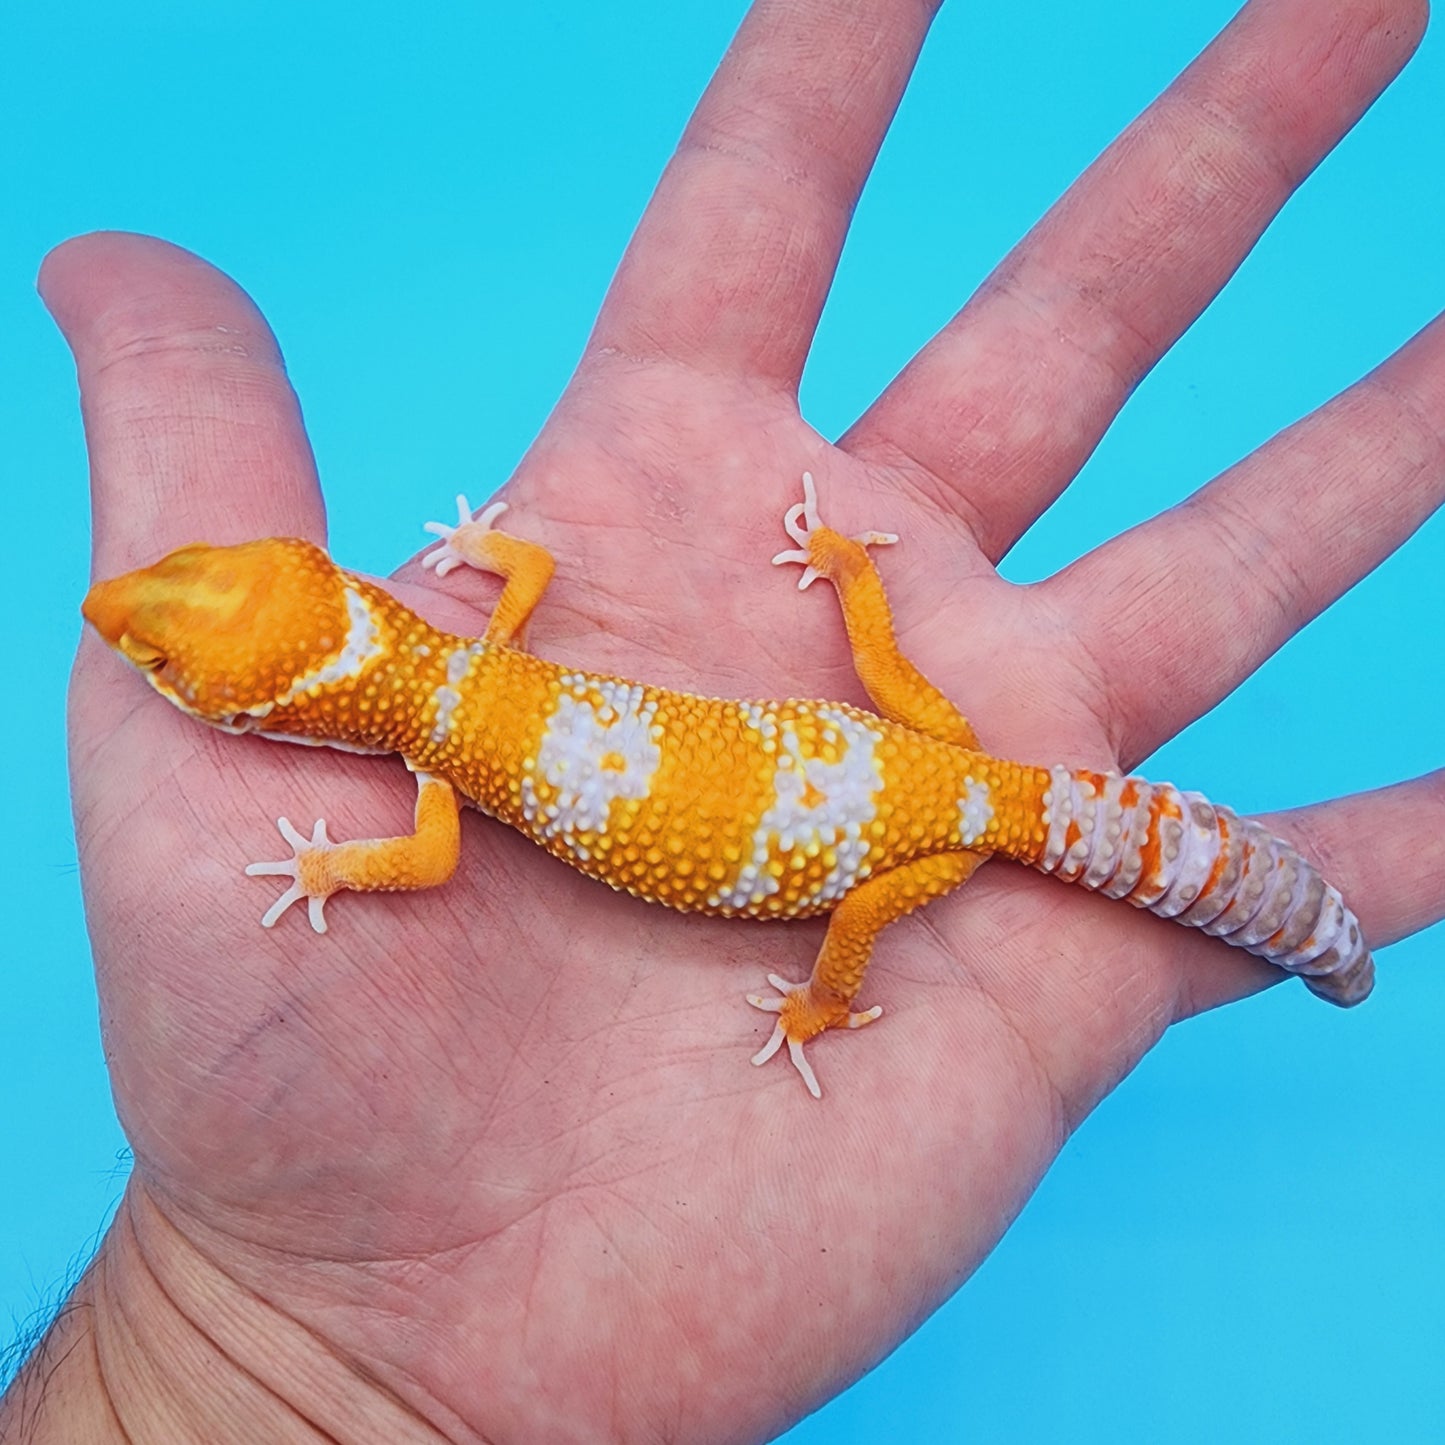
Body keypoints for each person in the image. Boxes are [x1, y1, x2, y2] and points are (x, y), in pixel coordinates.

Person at [6, 0, 1441, 1439]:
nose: (145, 632)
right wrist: (763, 569)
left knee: (885, 902)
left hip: (920, 831)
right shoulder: (470, 680)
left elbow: (425, 860)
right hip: (919, 759)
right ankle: (1230, 901)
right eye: (182, 652)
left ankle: (912, 977)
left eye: (184, 661)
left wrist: (330, 868)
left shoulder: (438, 764)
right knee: (920, 740)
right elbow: (530, 575)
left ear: (293, 692)